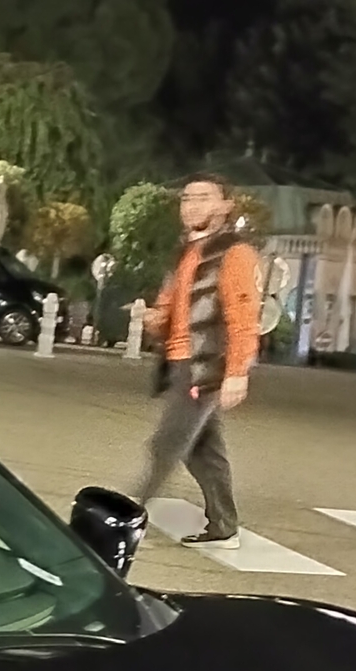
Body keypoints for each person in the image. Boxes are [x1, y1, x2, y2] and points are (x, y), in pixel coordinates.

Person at [126, 173, 260, 546]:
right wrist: (154, 319)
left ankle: (122, 519)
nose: (192, 206)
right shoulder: (186, 252)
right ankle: (223, 522)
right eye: (187, 199)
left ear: (225, 206)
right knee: (203, 450)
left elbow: (244, 315)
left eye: (203, 198)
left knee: (166, 445)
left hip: (205, 364)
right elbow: (171, 306)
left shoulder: (235, 253)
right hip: (179, 360)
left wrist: (237, 372)